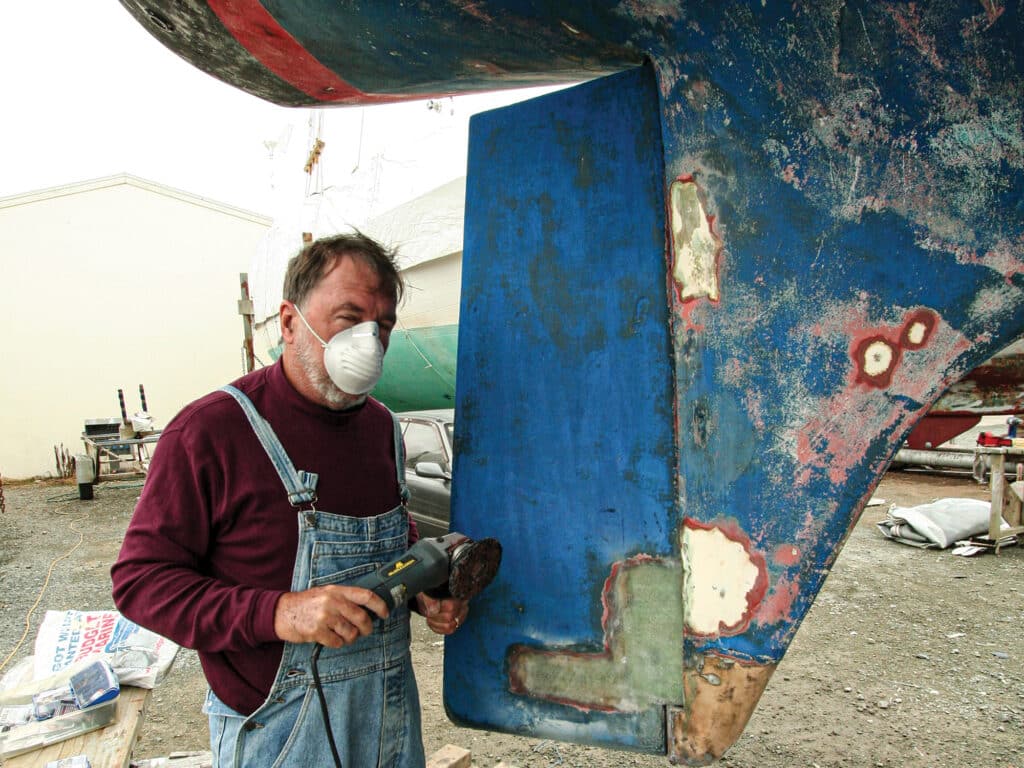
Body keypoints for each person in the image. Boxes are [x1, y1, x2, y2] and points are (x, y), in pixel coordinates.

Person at [111, 232, 467, 768]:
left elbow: (395, 538)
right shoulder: (210, 432)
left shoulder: (382, 429)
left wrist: (420, 591)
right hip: (278, 738)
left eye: (382, 326)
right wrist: (277, 612)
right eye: (349, 319)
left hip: (390, 726)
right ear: (289, 320)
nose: (368, 342)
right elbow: (140, 582)